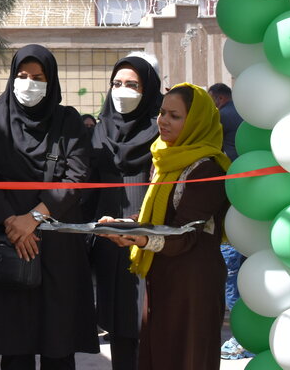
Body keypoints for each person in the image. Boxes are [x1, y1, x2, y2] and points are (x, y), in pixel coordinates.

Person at [0, 44, 99, 370]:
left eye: (38, 77)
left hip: (58, 246)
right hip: (12, 242)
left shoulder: (67, 120)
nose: (29, 83)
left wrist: (34, 218)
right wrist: (12, 222)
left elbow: (77, 174)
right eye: (22, 75)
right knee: (16, 347)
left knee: (59, 345)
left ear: (51, 80)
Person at [99, 84, 231, 370]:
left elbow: (183, 234)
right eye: (162, 112)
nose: (163, 121)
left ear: (195, 121)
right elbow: (159, 216)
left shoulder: (207, 168)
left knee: (186, 357)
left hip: (194, 282)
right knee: (159, 354)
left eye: (175, 115)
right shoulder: (164, 157)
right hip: (162, 274)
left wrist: (138, 238)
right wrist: (128, 225)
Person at [85, 53, 163, 370]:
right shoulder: (98, 132)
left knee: (149, 326)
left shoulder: (162, 132)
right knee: (118, 328)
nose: (122, 90)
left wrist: (138, 225)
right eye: (116, 83)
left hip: (149, 241)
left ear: (149, 90)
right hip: (108, 243)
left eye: (132, 84)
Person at [207, 83, 249, 360]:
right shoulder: (244, 113)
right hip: (244, 206)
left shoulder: (224, 116)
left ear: (219, 98)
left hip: (230, 205)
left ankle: (240, 338)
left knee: (231, 271)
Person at [207, 84, 242, 162]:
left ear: (220, 98)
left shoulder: (221, 115)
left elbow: (211, 141)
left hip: (232, 163)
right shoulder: (242, 110)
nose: (209, 104)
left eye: (210, 100)